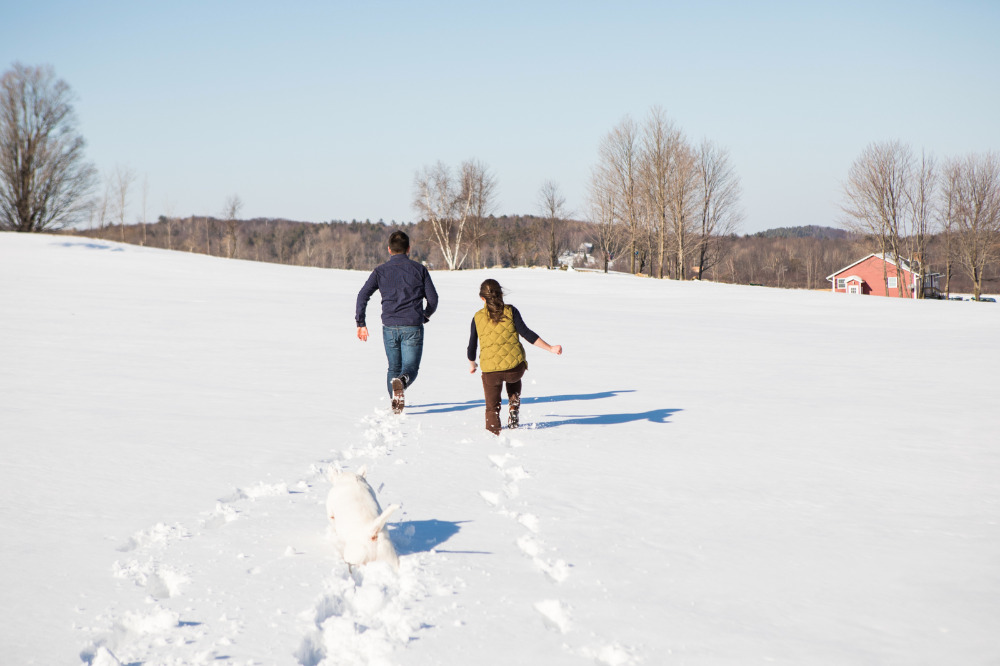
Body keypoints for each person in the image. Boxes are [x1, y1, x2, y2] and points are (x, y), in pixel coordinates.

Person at [356, 230, 438, 414]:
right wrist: (425, 315)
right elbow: (433, 299)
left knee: (393, 367)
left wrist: (361, 323)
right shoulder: (419, 269)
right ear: (408, 249)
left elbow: (363, 295)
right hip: (412, 326)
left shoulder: (380, 271)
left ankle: (395, 403)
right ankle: (401, 385)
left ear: (389, 249)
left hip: (390, 327)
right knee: (410, 369)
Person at [467, 278, 562, 435]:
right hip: (515, 370)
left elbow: (472, 347)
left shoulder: (477, 318)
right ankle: (513, 401)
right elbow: (527, 334)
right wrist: (550, 348)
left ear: (482, 298)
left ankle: (493, 432)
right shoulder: (511, 311)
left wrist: (472, 364)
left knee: (492, 406)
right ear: (500, 294)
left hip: (491, 372)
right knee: (513, 370)